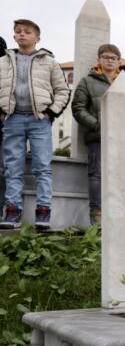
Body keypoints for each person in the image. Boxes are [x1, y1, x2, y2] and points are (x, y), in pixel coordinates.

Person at [0, 19, 70, 229]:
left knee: (42, 168)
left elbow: (63, 90)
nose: (22, 34)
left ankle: (43, 212)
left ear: (37, 38)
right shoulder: (3, 62)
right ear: (14, 36)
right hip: (12, 120)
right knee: (12, 168)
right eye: (18, 31)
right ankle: (12, 212)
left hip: (39, 121)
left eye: (27, 32)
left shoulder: (49, 62)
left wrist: (51, 112)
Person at [72, 44, 121, 225]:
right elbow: (78, 108)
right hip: (97, 136)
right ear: (98, 60)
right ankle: (97, 215)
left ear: (119, 62)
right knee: (96, 175)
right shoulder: (87, 81)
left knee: (120, 175)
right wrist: (97, 125)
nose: (109, 60)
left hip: (121, 139)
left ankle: (118, 214)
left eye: (113, 58)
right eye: (106, 57)